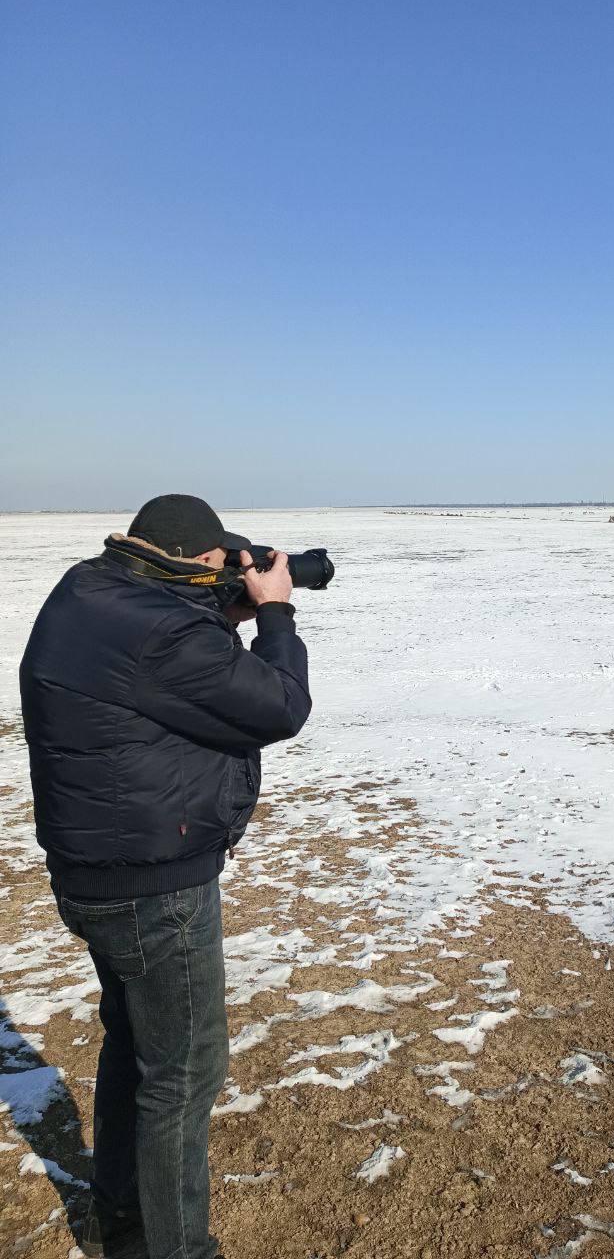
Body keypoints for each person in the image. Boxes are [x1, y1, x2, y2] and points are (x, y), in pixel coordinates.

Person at [19, 493, 312, 1259]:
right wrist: (275, 613)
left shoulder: (89, 589)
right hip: (155, 886)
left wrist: (219, 616)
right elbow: (278, 706)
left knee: (134, 1052)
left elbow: (153, 671)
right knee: (183, 1077)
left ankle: (123, 1225)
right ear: (202, 561)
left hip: (91, 872)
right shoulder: (162, 630)